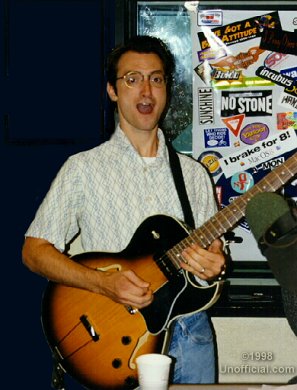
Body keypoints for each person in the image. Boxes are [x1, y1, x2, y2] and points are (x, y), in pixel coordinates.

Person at [22, 35, 226, 386]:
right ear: (112, 91)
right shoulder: (83, 169)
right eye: (132, 79)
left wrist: (214, 265)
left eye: (156, 79)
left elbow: (211, 256)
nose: (146, 91)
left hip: (192, 337)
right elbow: (33, 252)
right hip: (117, 341)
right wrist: (101, 283)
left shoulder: (194, 174)